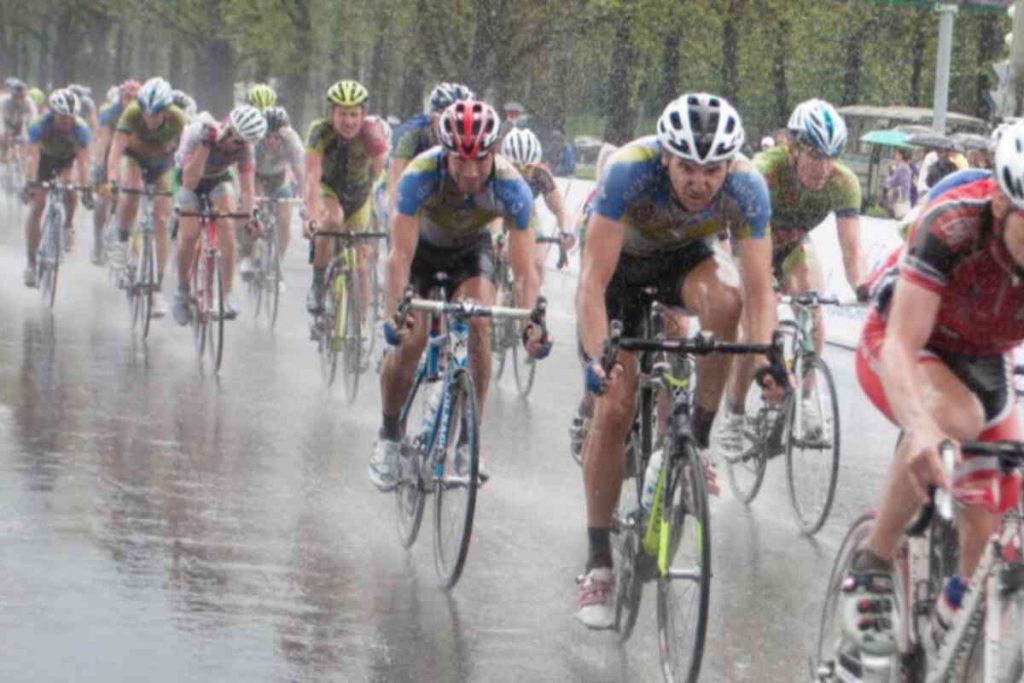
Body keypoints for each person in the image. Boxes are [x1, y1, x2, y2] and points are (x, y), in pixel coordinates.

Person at [573, 93, 777, 628]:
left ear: (729, 165)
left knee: (728, 301)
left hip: (685, 261)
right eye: (687, 166)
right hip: (619, 270)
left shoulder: (748, 187)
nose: (700, 181)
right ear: (666, 157)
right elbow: (591, 282)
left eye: (712, 170)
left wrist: (766, 363)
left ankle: (696, 444)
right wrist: (600, 358)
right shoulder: (628, 173)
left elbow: (759, 291)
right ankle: (597, 564)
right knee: (616, 405)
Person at [836, 121, 1024, 668]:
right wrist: (920, 428)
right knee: (953, 416)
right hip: (903, 339)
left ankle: (955, 613)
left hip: (984, 359)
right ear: (1000, 204)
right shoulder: (954, 226)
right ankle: (873, 563)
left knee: (993, 501)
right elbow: (902, 343)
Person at [370, 99, 550, 491]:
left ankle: (469, 439)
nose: (470, 172)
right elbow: (399, 256)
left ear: (495, 153)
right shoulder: (420, 174)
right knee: (411, 341)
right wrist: (393, 313)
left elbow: (524, 272)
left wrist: (532, 322)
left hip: (470, 254)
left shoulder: (512, 187)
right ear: (445, 152)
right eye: (460, 161)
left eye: (480, 161)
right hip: (421, 253)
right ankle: (388, 434)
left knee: (478, 323)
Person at [720, 99, 864, 457]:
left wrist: (864, 287)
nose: (823, 167)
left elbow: (852, 251)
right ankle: (734, 415)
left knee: (812, 301)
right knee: (751, 330)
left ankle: (809, 396)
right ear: (793, 148)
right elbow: (729, 229)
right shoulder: (764, 171)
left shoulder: (843, 183)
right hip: (750, 244)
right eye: (815, 155)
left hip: (792, 245)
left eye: (832, 157)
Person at [302, 79, 388, 324]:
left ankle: (359, 332)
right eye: (342, 114)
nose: (349, 121)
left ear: (363, 114)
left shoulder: (372, 134)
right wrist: (311, 215)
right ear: (332, 113)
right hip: (329, 189)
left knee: (361, 265)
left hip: (359, 194)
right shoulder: (320, 131)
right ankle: (318, 286)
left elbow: (379, 175)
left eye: (354, 114)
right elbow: (312, 176)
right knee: (332, 220)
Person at [171, 105, 267, 324]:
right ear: (226, 125)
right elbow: (189, 181)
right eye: (231, 134)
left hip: (217, 179)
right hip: (187, 177)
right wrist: (205, 146)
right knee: (190, 234)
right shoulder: (197, 133)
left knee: (227, 227)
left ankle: (227, 293)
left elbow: (247, 188)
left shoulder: (245, 150)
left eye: (240, 142)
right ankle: (182, 291)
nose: (233, 143)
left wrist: (249, 217)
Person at [106, 77, 187, 317]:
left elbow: (185, 156)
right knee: (131, 190)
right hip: (134, 158)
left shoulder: (179, 118)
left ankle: (157, 288)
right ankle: (121, 241)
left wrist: (182, 187)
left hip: (163, 164)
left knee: (162, 221)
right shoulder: (131, 113)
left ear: (166, 110)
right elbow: (115, 150)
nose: (150, 119)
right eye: (146, 113)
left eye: (156, 114)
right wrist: (111, 180)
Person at [22, 89, 92, 287]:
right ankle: (31, 263)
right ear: (53, 113)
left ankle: (68, 225)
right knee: (37, 206)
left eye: (70, 118)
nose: (66, 122)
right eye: (62, 118)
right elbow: (32, 157)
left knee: (69, 189)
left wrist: (85, 187)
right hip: (43, 162)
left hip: (65, 163)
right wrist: (30, 182)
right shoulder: (39, 125)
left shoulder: (81, 129)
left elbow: (83, 162)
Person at [386, 82, 474, 215]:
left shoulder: (475, 137)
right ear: (433, 117)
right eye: (448, 118)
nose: (455, 126)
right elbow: (396, 181)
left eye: (462, 121)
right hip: (407, 184)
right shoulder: (412, 134)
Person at [240, 105, 304, 285]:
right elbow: (248, 176)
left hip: (280, 179)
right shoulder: (253, 142)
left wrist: (305, 197)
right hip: (256, 178)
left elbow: (301, 172)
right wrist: (252, 203)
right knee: (251, 214)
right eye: (267, 136)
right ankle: (246, 254)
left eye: (277, 137)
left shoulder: (292, 140)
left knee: (284, 223)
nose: (272, 141)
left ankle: (276, 265)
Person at [500, 128, 574, 280]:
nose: (521, 172)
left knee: (538, 264)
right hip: (497, 212)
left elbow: (560, 208)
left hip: (526, 213)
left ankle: (531, 300)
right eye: (516, 166)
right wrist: (498, 238)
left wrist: (566, 232)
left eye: (527, 167)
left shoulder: (541, 174)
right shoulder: (497, 171)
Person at [90, 79, 141, 265]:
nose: (131, 101)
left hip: (133, 154)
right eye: (128, 97)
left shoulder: (143, 112)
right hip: (111, 152)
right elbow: (103, 141)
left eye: (135, 98)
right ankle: (98, 242)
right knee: (103, 199)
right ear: (121, 97)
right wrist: (98, 167)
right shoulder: (109, 112)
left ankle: (127, 237)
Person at [0, 79, 37, 173]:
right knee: (3, 137)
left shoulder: (29, 102)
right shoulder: (3, 101)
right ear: (12, 95)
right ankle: (3, 158)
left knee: (26, 140)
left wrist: (31, 135)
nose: (20, 99)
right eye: (17, 96)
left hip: (20, 123)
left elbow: (34, 119)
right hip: (6, 122)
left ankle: (23, 161)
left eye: (22, 96)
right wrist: (3, 133)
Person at [884, 148, 912, 219]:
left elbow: (904, 185)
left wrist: (893, 189)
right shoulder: (901, 167)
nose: (895, 156)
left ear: (901, 156)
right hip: (896, 199)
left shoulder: (903, 168)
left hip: (899, 200)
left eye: (896, 154)